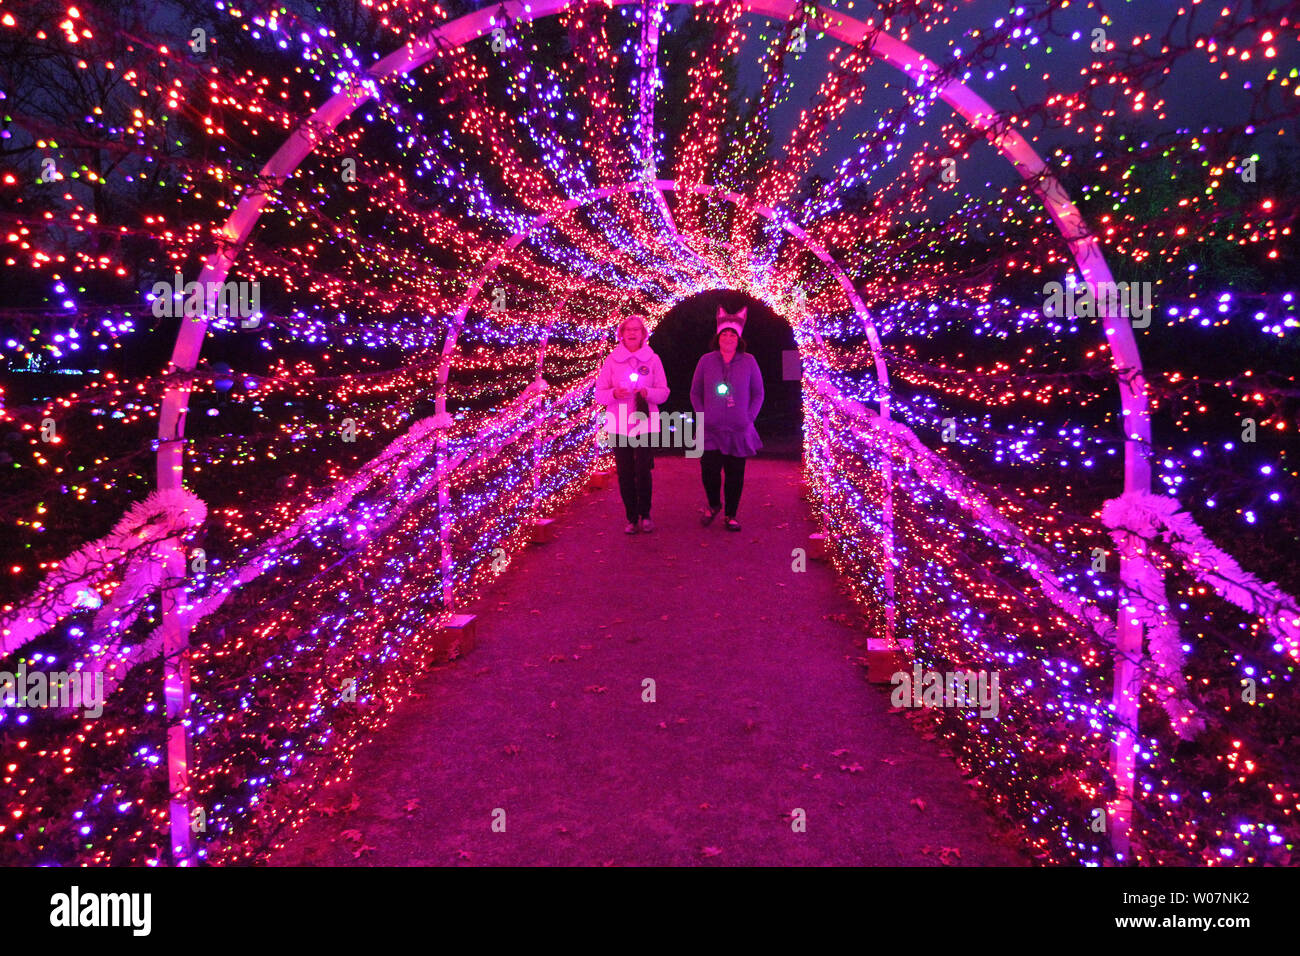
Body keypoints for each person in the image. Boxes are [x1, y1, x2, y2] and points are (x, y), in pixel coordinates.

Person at [689, 306, 764, 532]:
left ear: (738, 338)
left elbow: (758, 393)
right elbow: (695, 392)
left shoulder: (749, 361)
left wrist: (749, 417)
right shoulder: (706, 361)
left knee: (735, 474)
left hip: (738, 429)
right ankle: (714, 504)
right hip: (710, 429)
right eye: (724, 334)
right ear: (718, 337)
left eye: (733, 334)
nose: (728, 338)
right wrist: (702, 414)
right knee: (709, 471)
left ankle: (731, 515)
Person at [595, 314, 670, 534]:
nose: (632, 332)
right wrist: (615, 393)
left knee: (643, 469)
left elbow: (664, 392)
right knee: (625, 471)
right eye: (628, 329)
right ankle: (631, 517)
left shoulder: (653, 359)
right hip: (619, 425)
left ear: (643, 334)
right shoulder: (611, 360)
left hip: (645, 423)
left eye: (637, 329)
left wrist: (648, 392)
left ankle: (645, 514)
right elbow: (600, 394)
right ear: (622, 333)